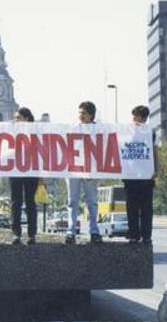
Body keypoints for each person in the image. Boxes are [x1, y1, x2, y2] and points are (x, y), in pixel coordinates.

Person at [65, 101, 101, 244]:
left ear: (91, 115)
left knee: (92, 202)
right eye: (79, 112)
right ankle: (70, 231)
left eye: (84, 113)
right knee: (72, 202)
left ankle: (94, 231)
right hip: (73, 169)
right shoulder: (72, 128)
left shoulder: (99, 130)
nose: (80, 115)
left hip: (91, 169)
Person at [123, 106, 158, 244]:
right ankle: (133, 234)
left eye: (135, 117)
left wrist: (156, 169)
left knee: (146, 209)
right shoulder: (127, 132)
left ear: (143, 118)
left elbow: (155, 151)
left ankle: (146, 235)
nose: (133, 120)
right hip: (131, 176)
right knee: (131, 208)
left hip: (145, 177)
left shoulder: (150, 133)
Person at [10, 107, 39, 245]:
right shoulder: (10, 131)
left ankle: (32, 235)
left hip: (31, 170)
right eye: (15, 118)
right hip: (15, 169)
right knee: (16, 202)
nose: (15, 120)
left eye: (18, 118)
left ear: (27, 119)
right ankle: (16, 234)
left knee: (30, 202)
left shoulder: (37, 132)